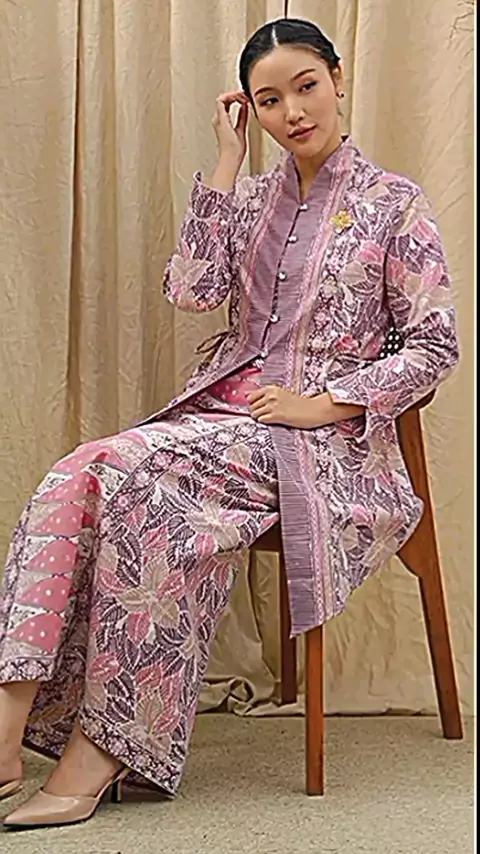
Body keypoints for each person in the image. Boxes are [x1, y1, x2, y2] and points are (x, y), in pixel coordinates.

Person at [0, 17, 459, 829]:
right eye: (269, 100)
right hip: (221, 420)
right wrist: (226, 161)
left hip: (321, 442)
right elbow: (192, 288)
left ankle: (102, 750)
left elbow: (434, 344)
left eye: (306, 87)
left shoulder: (395, 205)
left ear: (338, 78)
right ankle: (7, 732)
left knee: (137, 485)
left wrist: (325, 402)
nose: (293, 112)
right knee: (78, 474)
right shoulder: (250, 199)